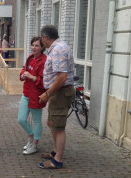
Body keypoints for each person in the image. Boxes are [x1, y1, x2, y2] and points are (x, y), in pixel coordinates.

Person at [38, 25, 75, 169]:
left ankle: (57, 160)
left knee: (58, 127)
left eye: (42, 38)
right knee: (52, 123)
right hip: (58, 93)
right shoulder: (59, 47)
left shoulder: (58, 50)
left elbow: (62, 77)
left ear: (45, 37)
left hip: (59, 93)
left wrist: (48, 93)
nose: (42, 41)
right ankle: (55, 151)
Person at [18, 36, 47, 155]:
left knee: (36, 121)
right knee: (21, 119)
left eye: (37, 45)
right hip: (26, 93)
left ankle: (34, 144)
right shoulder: (30, 58)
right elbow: (23, 70)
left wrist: (32, 77)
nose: (33, 48)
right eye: (32, 45)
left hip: (37, 96)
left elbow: (45, 81)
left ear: (42, 47)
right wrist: (23, 75)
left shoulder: (45, 61)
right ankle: (31, 136)